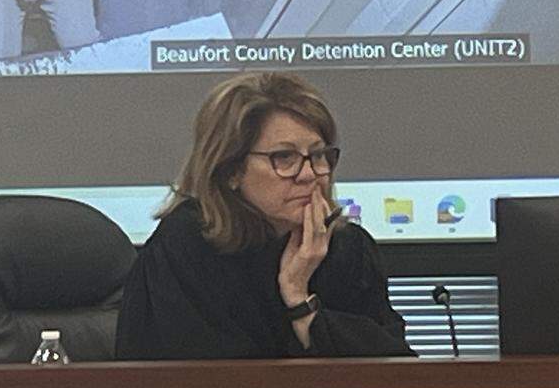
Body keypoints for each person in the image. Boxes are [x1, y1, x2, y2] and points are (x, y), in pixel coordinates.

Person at [115, 72, 415, 359]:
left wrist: (300, 301)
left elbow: (394, 371)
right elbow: (204, 379)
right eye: (284, 157)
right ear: (231, 169)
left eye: (318, 155)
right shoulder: (185, 246)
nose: (309, 174)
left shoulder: (348, 248)